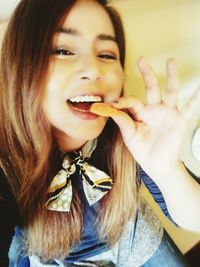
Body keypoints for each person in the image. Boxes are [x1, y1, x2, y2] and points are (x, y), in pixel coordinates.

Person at [0, 0, 199, 266]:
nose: (94, 70)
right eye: (63, 50)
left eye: (107, 55)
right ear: (21, 66)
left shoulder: (130, 134)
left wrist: (167, 171)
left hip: (132, 240)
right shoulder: (6, 160)